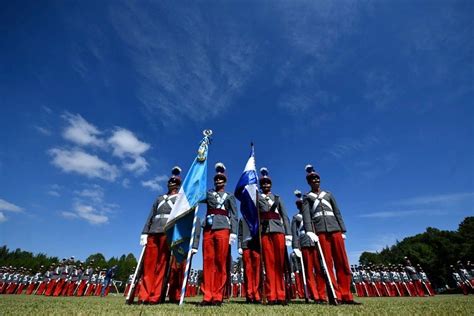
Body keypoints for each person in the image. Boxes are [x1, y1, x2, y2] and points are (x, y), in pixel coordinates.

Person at [301, 164, 360, 305]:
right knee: (326, 264)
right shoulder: (307, 197)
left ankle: (347, 295)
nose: (315, 181)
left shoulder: (328, 194)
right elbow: (307, 216)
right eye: (312, 179)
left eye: (317, 179)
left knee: (342, 262)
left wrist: (342, 229)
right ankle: (335, 295)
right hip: (320, 231)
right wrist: (310, 230)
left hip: (335, 229)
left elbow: (337, 211)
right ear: (308, 182)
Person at [138, 167, 182, 304]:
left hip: (167, 232)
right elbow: (150, 216)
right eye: (170, 181)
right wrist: (144, 232)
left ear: (178, 184)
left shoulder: (180, 199)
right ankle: (144, 295)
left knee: (161, 265)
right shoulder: (159, 198)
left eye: (174, 181)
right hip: (153, 231)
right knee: (148, 265)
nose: (171, 183)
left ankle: (154, 296)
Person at [200, 163, 238, 306]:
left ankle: (217, 295)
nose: (218, 181)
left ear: (225, 181)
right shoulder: (208, 194)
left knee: (221, 262)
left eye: (221, 179)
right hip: (208, 228)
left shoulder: (230, 196)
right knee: (208, 261)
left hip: (223, 227)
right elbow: (196, 195)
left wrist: (233, 232)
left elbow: (234, 215)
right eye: (216, 179)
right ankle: (207, 295)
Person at [257, 167, 291, 305]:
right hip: (264, 232)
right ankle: (271, 295)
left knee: (279, 264)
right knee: (269, 265)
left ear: (270, 184)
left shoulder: (277, 198)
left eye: (267, 183)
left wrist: (288, 234)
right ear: (260, 185)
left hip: (278, 231)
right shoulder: (257, 198)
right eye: (263, 183)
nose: (265, 185)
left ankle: (281, 295)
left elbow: (285, 216)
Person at [238, 218, 261, 303]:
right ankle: (249, 294)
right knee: (247, 270)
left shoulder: (257, 217)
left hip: (256, 245)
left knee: (257, 270)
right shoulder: (242, 219)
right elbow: (240, 234)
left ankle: (256, 293)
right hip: (245, 245)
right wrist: (239, 246)